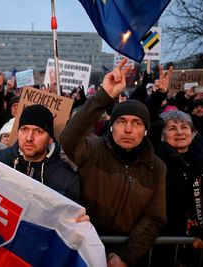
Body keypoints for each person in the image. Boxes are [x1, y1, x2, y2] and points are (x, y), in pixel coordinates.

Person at [60, 58, 172, 267]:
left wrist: (125, 255)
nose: (128, 130)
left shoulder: (156, 167)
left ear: (145, 130)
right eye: (121, 122)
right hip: (83, 253)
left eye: (136, 123)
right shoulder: (93, 150)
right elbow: (68, 139)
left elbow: (154, 218)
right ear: (111, 126)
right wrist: (103, 96)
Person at [152, 114, 203, 266]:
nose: (179, 132)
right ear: (163, 136)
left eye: (184, 127)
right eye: (172, 128)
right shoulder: (156, 162)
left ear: (192, 132)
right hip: (167, 244)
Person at [0, 104, 80, 203]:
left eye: (38, 131)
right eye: (24, 129)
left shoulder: (67, 179)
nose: (29, 138)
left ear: (50, 139)